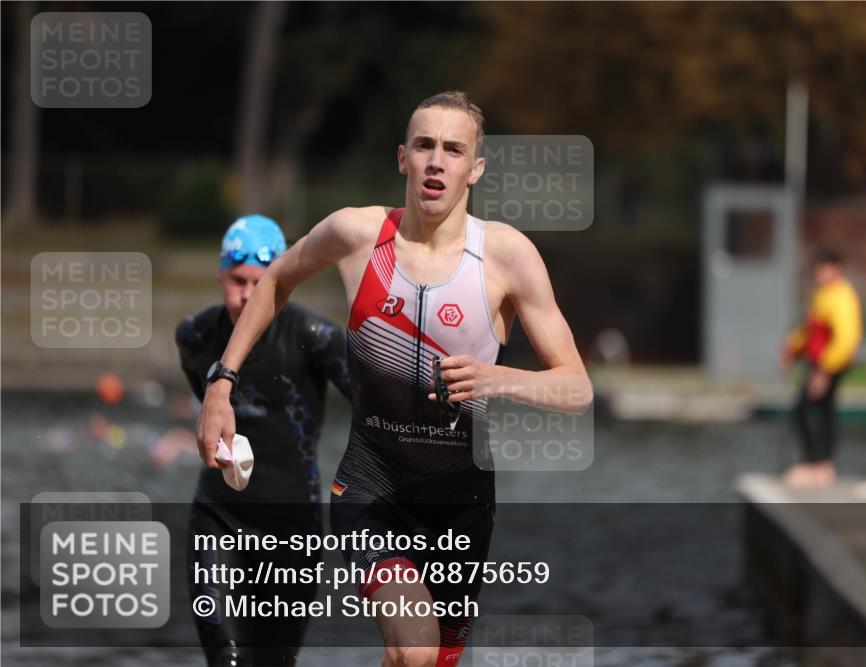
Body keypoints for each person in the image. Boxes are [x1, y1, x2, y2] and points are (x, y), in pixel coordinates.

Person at [195, 91, 593, 667]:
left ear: (474, 169)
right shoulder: (358, 235)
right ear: (402, 157)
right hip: (371, 487)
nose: (437, 161)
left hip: (462, 502)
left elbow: (577, 388)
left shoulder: (507, 256)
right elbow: (277, 280)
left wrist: (496, 377)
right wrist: (221, 382)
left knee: (434, 662)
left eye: (453, 150)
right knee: (413, 649)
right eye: (425, 145)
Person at [177, 214, 351, 666]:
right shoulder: (195, 336)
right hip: (219, 520)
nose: (247, 295)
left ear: (282, 282)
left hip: (294, 532)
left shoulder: (316, 337)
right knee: (228, 659)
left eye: (260, 281)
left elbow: (376, 408)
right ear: (221, 275)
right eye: (237, 280)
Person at [781, 249, 862, 487]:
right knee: (821, 410)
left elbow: (846, 337)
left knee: (806, 407)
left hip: (830, 363)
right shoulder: (823, 295)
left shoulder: (842, 297)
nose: (818, 274)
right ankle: (819, 464)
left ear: (835, 269)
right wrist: (792, 348)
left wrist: (825, 371)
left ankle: (817, 463)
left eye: (823, 268)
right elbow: (811, 330)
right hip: (819, 362)